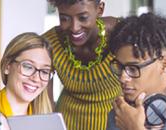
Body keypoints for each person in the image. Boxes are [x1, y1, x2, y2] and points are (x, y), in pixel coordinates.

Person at [42, 0, 121, 129]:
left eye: (83, 17)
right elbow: (45, 105)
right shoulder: (50, 43)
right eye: (64, 18)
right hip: (66, 124)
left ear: (100, 9)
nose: (74, 27)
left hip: (114, 125)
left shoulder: (121, 35)